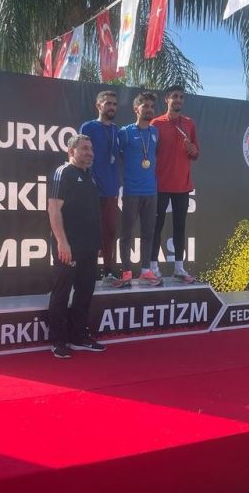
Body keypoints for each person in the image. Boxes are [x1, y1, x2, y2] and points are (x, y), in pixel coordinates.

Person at [47, 134, 106, 359]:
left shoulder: (90, 176)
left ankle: (79, 337)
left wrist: (97, 243)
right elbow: (54, 210)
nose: (90, 153)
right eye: (84, 149)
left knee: (85, 291)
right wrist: (62, 242)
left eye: (91, 149)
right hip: (68, 247)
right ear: (71, 151)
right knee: (61, 293)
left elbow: (92, 213)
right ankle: (58, 341)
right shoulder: (63, 173)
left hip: (89, 247)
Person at [151, 84, 199, 283]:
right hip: (160, 185)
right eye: (175, 96)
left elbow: (196, 153)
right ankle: (153, 267)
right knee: (156, 226)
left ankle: (179, 268)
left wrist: (191, 149)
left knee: (180, 227)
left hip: (182, 185)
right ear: (167, 99)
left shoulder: (189, 123)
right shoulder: (156, 123)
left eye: (181, 97)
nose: (178, 100)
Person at [116, 93, 162, 287]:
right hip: (131, 191)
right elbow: (116, 157)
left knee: (148, 233)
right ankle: (126, 272)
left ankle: (145, 271)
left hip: (151, 191)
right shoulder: (125, 132)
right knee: (126, 233)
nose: (149, 109)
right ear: (136, 109)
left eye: (151, 106)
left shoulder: (155, 132)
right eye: (145, 106)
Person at [80, 91, 121, 285]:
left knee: (109, 232)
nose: (112, 107)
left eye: (114, 104)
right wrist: (87, 179)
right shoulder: (88, 127)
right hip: (92, 189)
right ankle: (84, 273)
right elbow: (80, 155)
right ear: (99, 106)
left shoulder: (117, 131)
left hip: (111, 189)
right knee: (88, 232)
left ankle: (108, 273)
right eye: (108, 103)